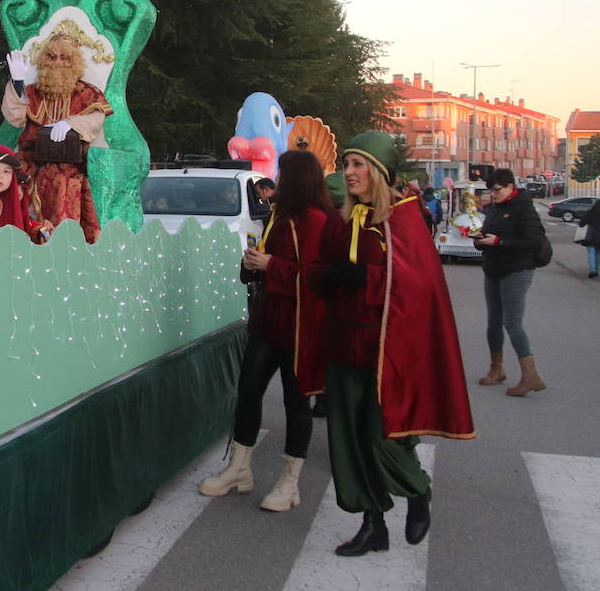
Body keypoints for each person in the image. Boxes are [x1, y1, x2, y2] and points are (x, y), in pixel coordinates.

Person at [313, 131, 474, 556]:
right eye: (346, 164)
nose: (348, 172)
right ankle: (373, 524)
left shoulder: (401, 220)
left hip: (386, 351)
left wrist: (363, 278)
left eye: (358, 164)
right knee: (349, 441)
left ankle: (418, 490)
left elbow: (418, 286)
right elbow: (320, 268)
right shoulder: (343, 219)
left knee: (383, 436)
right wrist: (322, 276)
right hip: (343, 346)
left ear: (379, 172)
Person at [198, 150, 331, 511]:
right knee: (248, 392)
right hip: (268, 319)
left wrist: (271, 264)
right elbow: (272, 264)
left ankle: (290, 483)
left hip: (300, 326)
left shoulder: (318, 220)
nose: (277, 181)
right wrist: (254, 264)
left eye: (283, 175)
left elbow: (320, 278)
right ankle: (239, 470)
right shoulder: (280, 215)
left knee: (296, 403)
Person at [2, 32, 112, 242]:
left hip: (68, 166)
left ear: (74, 62)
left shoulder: (86, 92)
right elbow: (14, 117)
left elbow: (96, 120)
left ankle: (61, 244)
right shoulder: (33, 92)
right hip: (30, 161)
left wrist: (71, 123)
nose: (58, 62)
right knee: (4, 178)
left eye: (64, 57)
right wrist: (17, 81)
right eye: (52, 57)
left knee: (61, 185)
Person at [472, 168, 547, 395]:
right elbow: (488, 232)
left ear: (510, 186)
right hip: (493, 268)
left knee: (512, 322)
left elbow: (534, 241)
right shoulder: (495, 208)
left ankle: (531, 376)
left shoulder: (523, 207)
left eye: (497, 190)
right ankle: (497, 370)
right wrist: (480, 240)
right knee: (493, 322)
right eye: (490, 191)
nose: (493, 195)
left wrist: (500, 242)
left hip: (517, 269)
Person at [582, 198, 600, 279]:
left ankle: (592, 270)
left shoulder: (590, 212)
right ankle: (596, 270)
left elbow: (581, 223)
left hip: (591, 235)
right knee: (598, 253)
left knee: (591, 253)